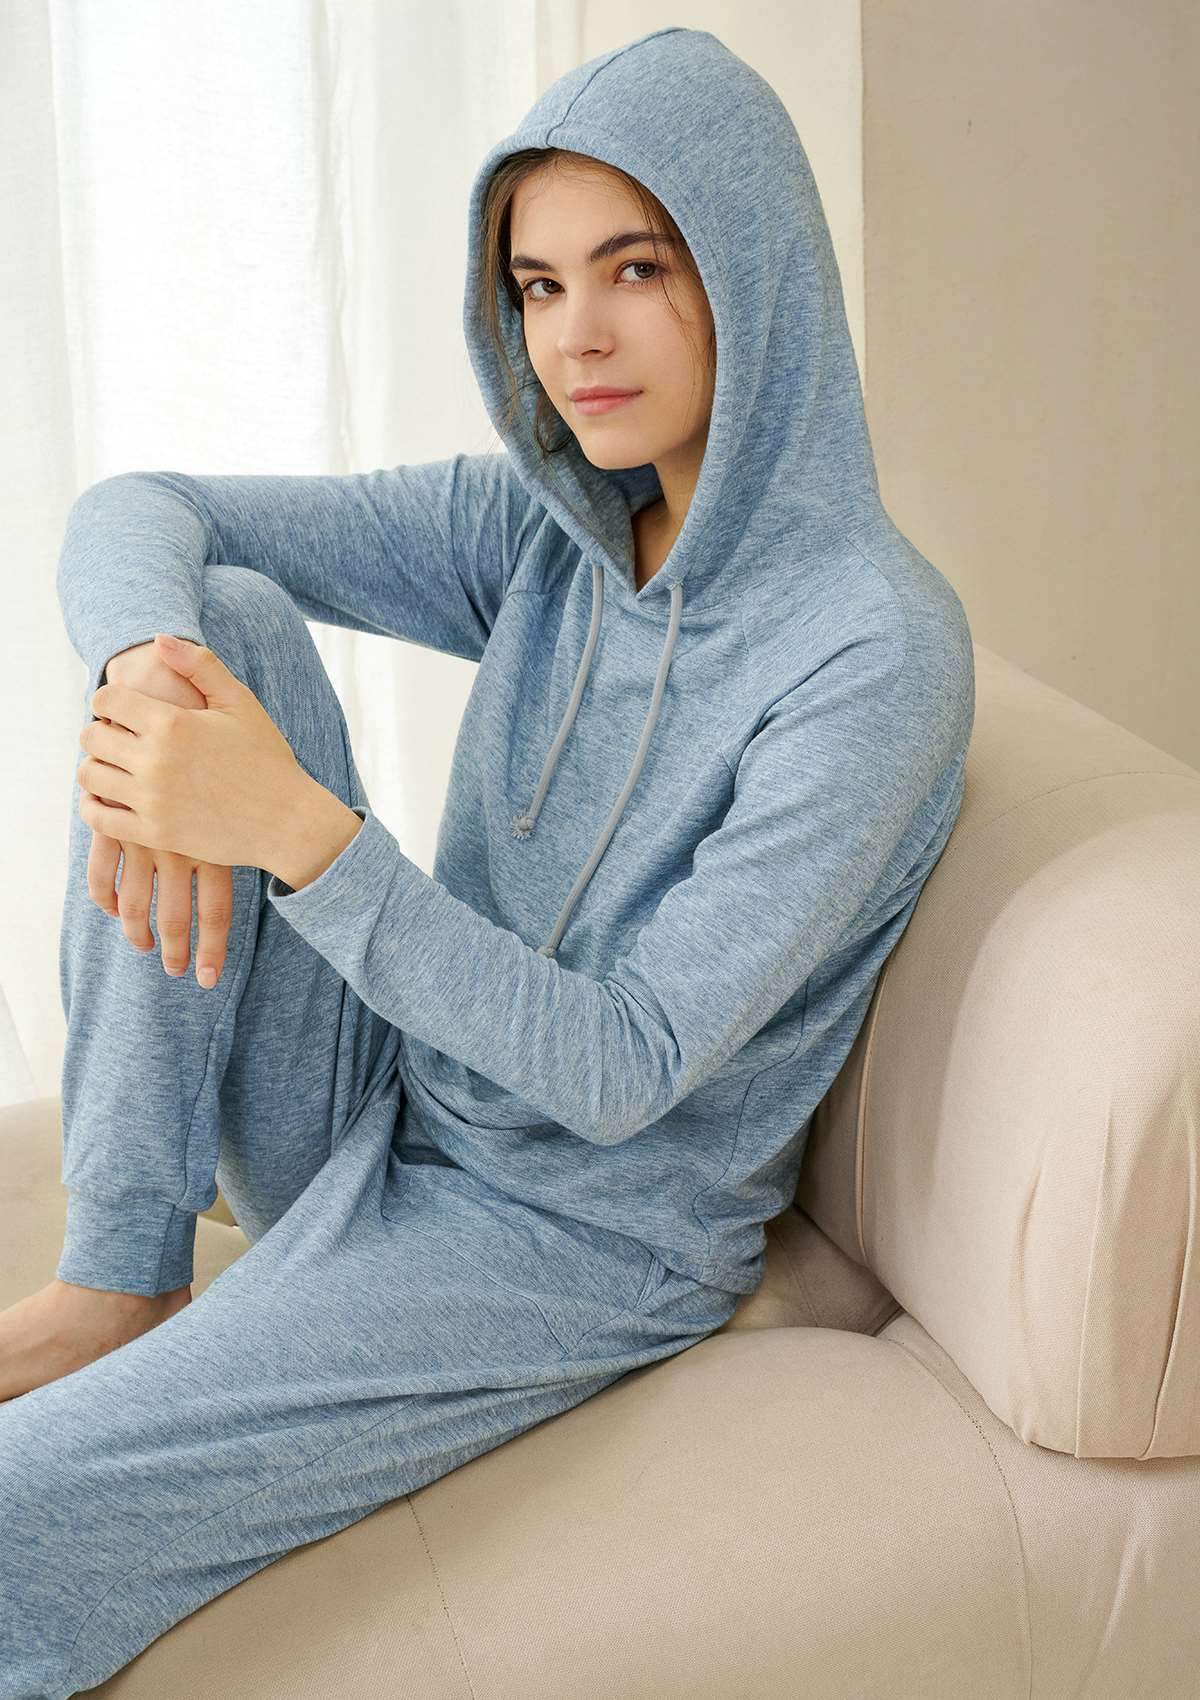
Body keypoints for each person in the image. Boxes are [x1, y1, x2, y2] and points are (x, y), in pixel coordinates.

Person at [0, 24, 975, 1695]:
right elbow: (140, 504)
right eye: (536, 285)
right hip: (391, 1101)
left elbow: (628, 1070)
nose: (576, 337)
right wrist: (146, 670)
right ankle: (120, 1274)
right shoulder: (550, 525)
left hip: (569, 1239)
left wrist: (298, 835)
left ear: (753, 276)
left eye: (635, 270)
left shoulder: (870, 652)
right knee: (210, 625)